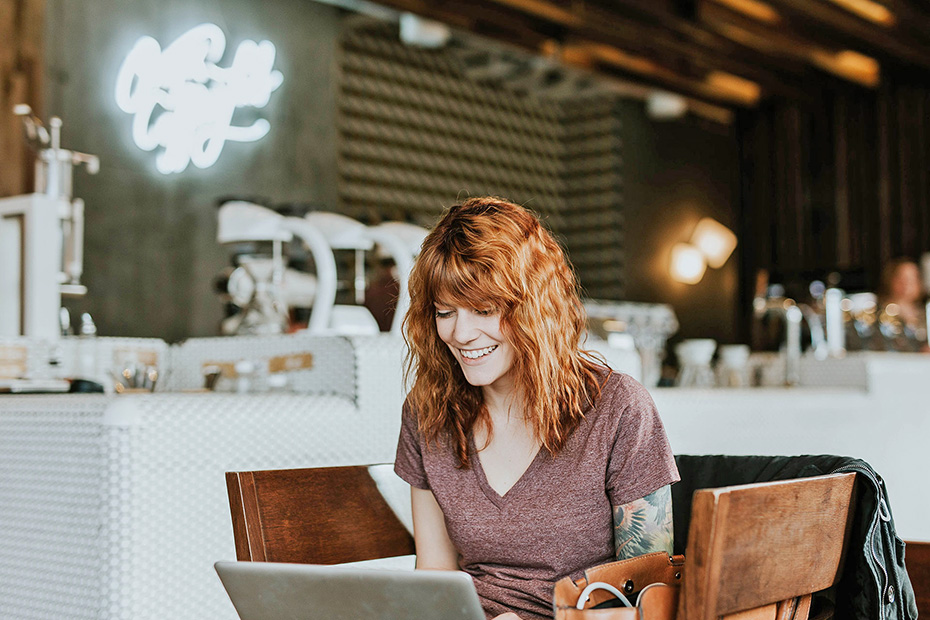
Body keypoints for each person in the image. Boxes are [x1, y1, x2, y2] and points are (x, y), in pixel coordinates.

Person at [394, 197, 680, 620]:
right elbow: (434, 578)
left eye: (485, 310)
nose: (461, 333)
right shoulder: (427, 413)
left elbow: (654, 601)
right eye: (445, 312)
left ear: (534, 309)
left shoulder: (618, 409)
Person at [876, 258, 929, 353]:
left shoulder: (925, 313)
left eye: (912, 278)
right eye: (901, 278)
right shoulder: (879, 313)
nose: (907, 284)